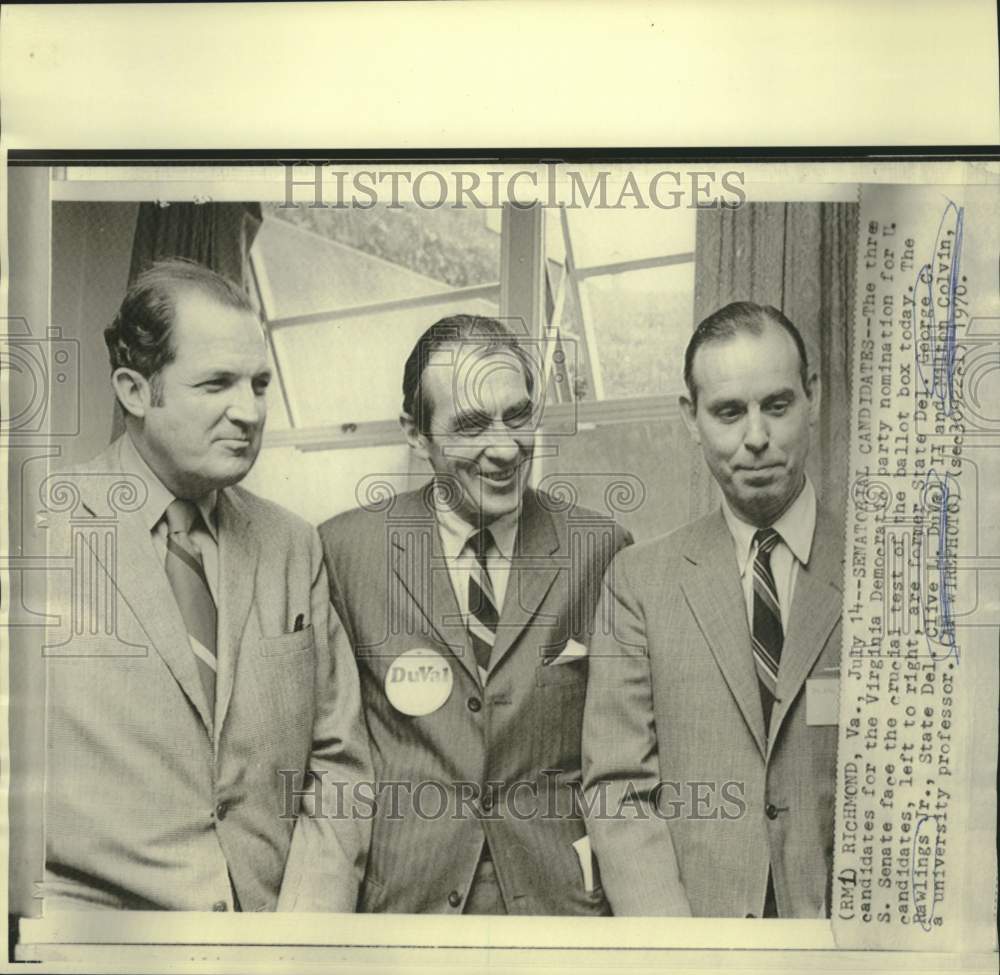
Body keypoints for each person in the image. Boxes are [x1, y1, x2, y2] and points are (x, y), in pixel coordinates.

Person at [43, 258, 372, 912]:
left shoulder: (292, 545)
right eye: (217, 382)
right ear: (135, 391)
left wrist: (301, 935)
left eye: (259, 383)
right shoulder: (34, 533)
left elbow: (340, 764)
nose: (248, 411)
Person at [318, 314, 632, 914]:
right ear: (416, 434)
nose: (506, 448)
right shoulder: (344, 552)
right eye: (470, 426)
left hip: (557, 907)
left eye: (518, 416)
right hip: (404, 909)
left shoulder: (601, 550)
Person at [582, 302, 843, 918]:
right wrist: (681, 950)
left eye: (776, 405)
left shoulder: (890, 572)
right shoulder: (639, 581)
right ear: (691, 419)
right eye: (729, 412)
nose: (756, 437)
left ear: (812, 397)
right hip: (693, 939)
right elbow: (618, 787)